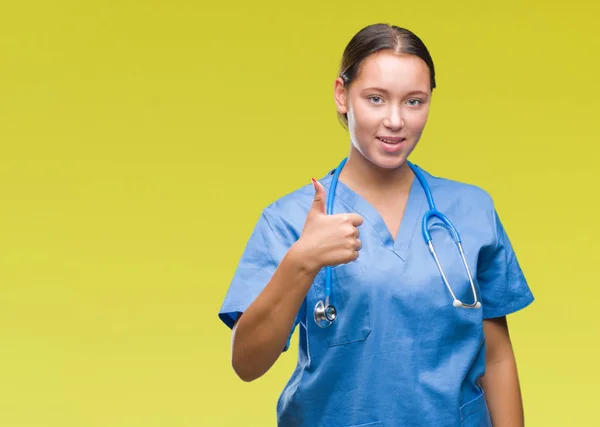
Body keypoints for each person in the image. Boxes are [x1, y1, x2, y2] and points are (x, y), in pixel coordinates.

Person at [218, 23, 534, 427]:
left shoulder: (471, 210)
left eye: (414, 102)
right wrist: (302, 261)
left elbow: (495, 353)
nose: (395, 120)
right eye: (376, 99)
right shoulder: (288, 220)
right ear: (341, 96)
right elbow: (246, 363)